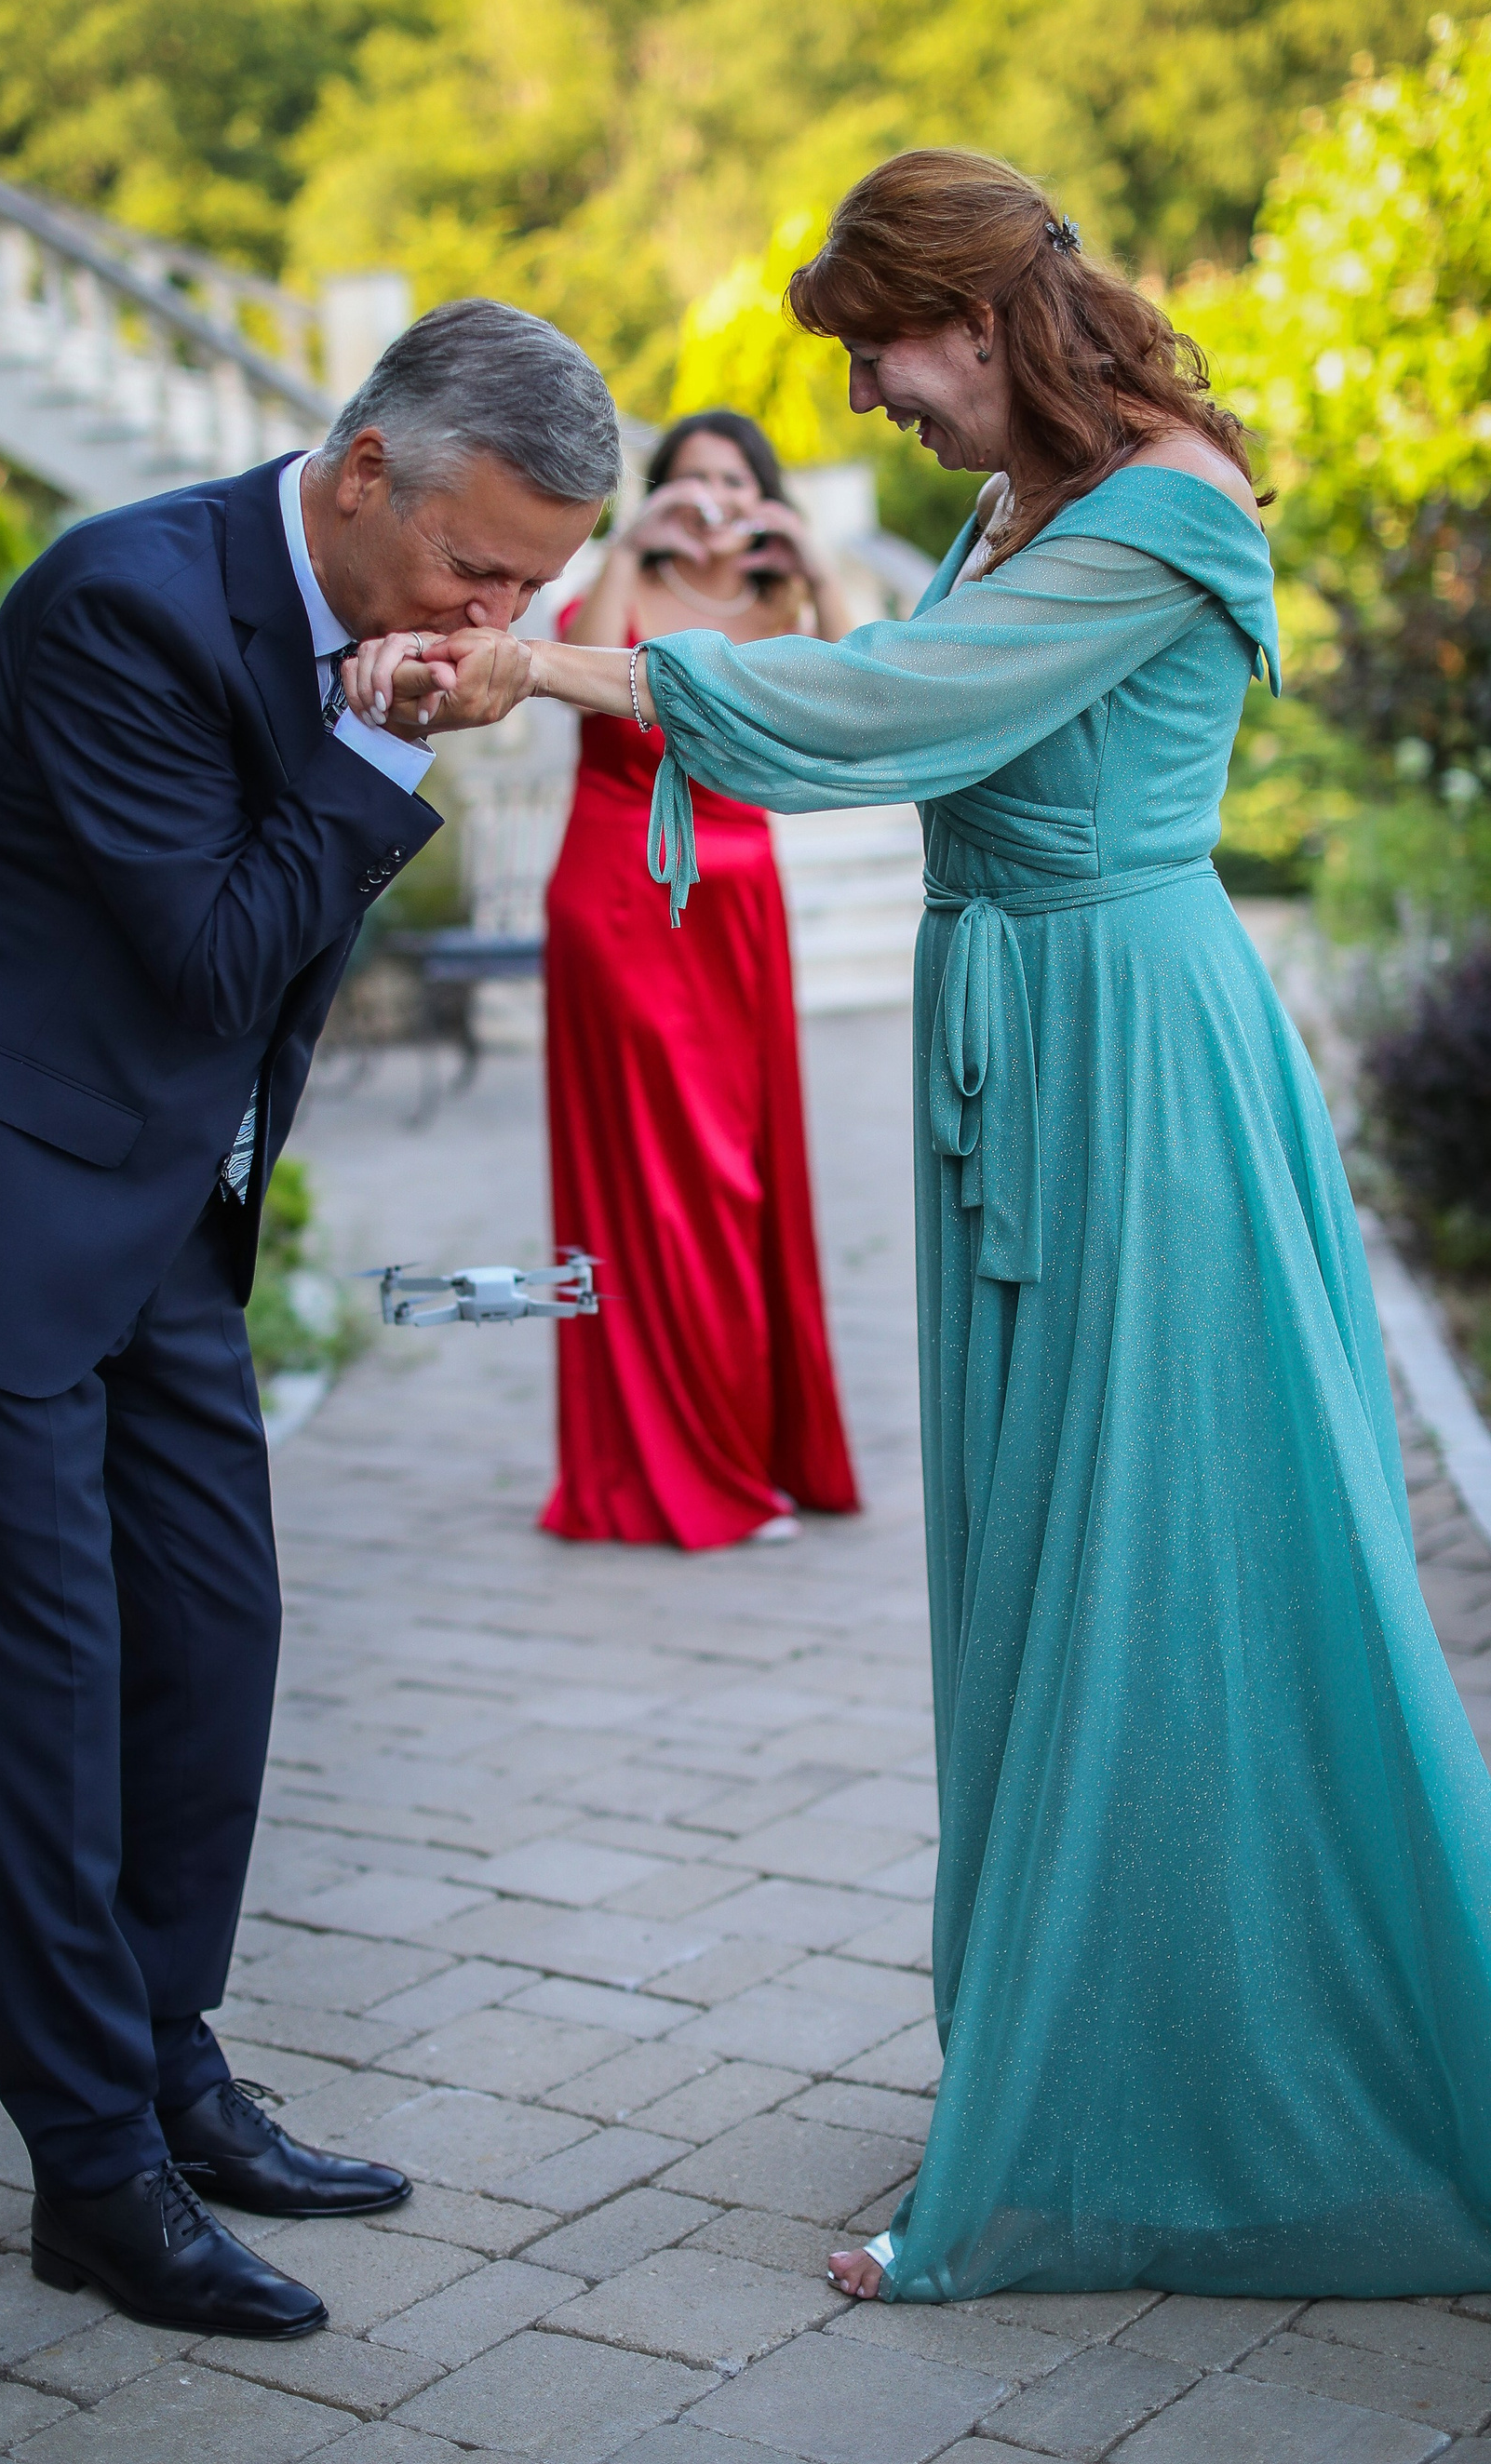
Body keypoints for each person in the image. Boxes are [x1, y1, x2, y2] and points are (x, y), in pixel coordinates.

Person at [346, 154, 1491, 2303]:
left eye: (877, 350)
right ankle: (1079, 2059)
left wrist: (562, 675)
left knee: (1160, 1557)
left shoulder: (1164, 510)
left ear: (976, 316)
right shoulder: (1024, 501)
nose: (864, 397)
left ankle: (1207, 2101)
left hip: (1132, 1065)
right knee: (1039, 1565)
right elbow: (892, 681)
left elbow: (888, 715)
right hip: (1024, 1047)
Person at [0, 301, 616, 2339]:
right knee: (51, 1703)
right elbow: (216, 954)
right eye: (477, 569)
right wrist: (382, 744)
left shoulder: (371, 600)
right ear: (363, 473)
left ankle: (171, 2068)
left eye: (532, 588)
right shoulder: (124, 607)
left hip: (159, 1208)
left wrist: (385, 708)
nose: (498, 621)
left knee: (214, 1648)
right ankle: (94, 2173)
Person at [541, 409, 860, 1547]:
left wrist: (814, 561)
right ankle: (675, 1466)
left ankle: (753, 1446)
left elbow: (868, 696)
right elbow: (589, 683)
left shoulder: (781, 607)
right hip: (620, 899)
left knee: (744, 1180)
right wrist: (630, 542)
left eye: (734, 481)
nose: (713, 500)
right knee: (664, 1186)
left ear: (763, 496)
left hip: (738, 917)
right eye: (690, 481)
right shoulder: (622, 585)